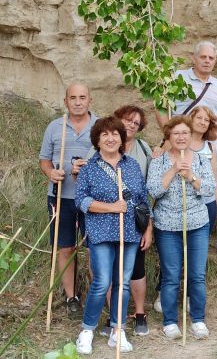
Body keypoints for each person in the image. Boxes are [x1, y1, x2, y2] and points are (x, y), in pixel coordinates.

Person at [155, 41, 217, 265]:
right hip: (181, 146)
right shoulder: (178, 77)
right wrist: (169, 138)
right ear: (194, 58)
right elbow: (160, 107)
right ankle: (171, 233)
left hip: (209, 147)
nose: (207, 61)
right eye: (203, 57)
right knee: (175, 187)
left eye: (211, 58)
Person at [75, 117, 148, 354]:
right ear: (97, 139)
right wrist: (111, 207)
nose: (110, 138)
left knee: (123, 284)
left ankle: (118, 331)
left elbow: (142, 201)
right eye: (104, 134)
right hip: (101, 232)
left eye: (115, 134)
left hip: (129, 233)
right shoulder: (89, 168)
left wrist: (147, 228)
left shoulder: (132, 166)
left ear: (121, 138)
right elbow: (82, 201)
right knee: (102, 282)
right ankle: (86, 331)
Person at [147, 116, 215, 340]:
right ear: (169, 136)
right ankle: (169, 322)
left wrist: (190, 176)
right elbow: (154, 190)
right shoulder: (158, 161)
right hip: (167, 225)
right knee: (171, 276)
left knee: (196, 275)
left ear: (190, 135)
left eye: (185, 133)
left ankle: (198, 320)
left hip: (196, 224)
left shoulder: (202, 159)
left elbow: (209, 189)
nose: (181, 137)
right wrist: (174, 170)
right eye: (176, 133)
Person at [91, 106, 153, 336]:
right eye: (127, 120)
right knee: (107, 272)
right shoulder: (98, 150)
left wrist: (148, 227)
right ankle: (114, 317)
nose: (131, 125)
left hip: (134, 220)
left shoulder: (143, 150)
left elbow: (145, 193)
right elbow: (86, 183)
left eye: (136, 123)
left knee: (135, 270)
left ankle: (138, 313)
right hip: (105, 222)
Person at [39, 82, 98, 319]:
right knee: (65, 247)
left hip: (93, 200)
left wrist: (86, 172)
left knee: (96, 248)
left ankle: (98, 293)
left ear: (89, 100)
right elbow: (44, 160)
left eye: (82, 97)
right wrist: (51, 172)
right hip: (60, 196)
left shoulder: (100, 126)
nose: (77, 102)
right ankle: (71, 296)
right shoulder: (55, 127)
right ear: (65, 101)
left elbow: (110, 158)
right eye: (72, 97)